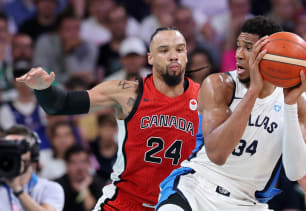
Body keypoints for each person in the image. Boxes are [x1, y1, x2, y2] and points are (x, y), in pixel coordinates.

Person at [156, 16, 306, 211]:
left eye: (249, 48)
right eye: (239, 46)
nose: (239, 55)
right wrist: (253, 92)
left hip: (248, 203)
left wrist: (290, 105)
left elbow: (295, 171)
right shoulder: (220, 85)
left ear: (272, 53)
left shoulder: (301, 103)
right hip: (197, 189)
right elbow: (217, 154)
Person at [16, 27, 201, 210]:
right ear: (150, 58)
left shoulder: (204, 98)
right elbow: (60, 104)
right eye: (164, 50)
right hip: (124, 201)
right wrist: (42, 88)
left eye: (179, 49)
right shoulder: (128, 93)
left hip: (174, 204)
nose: (173, 55)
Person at [0, 124, 64, 211]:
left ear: (33, 152)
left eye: (20, 148)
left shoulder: (50, 188)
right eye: (9, 148)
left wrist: (17, 189)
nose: (15, 154)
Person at [55, 145, 106, 211]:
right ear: (67, 166)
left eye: (83, 162)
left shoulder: (99, 183)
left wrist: (84, 190)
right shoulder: (58, 186)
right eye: (74, 163)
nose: (80, 168)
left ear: (89, 164)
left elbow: (94, 208)